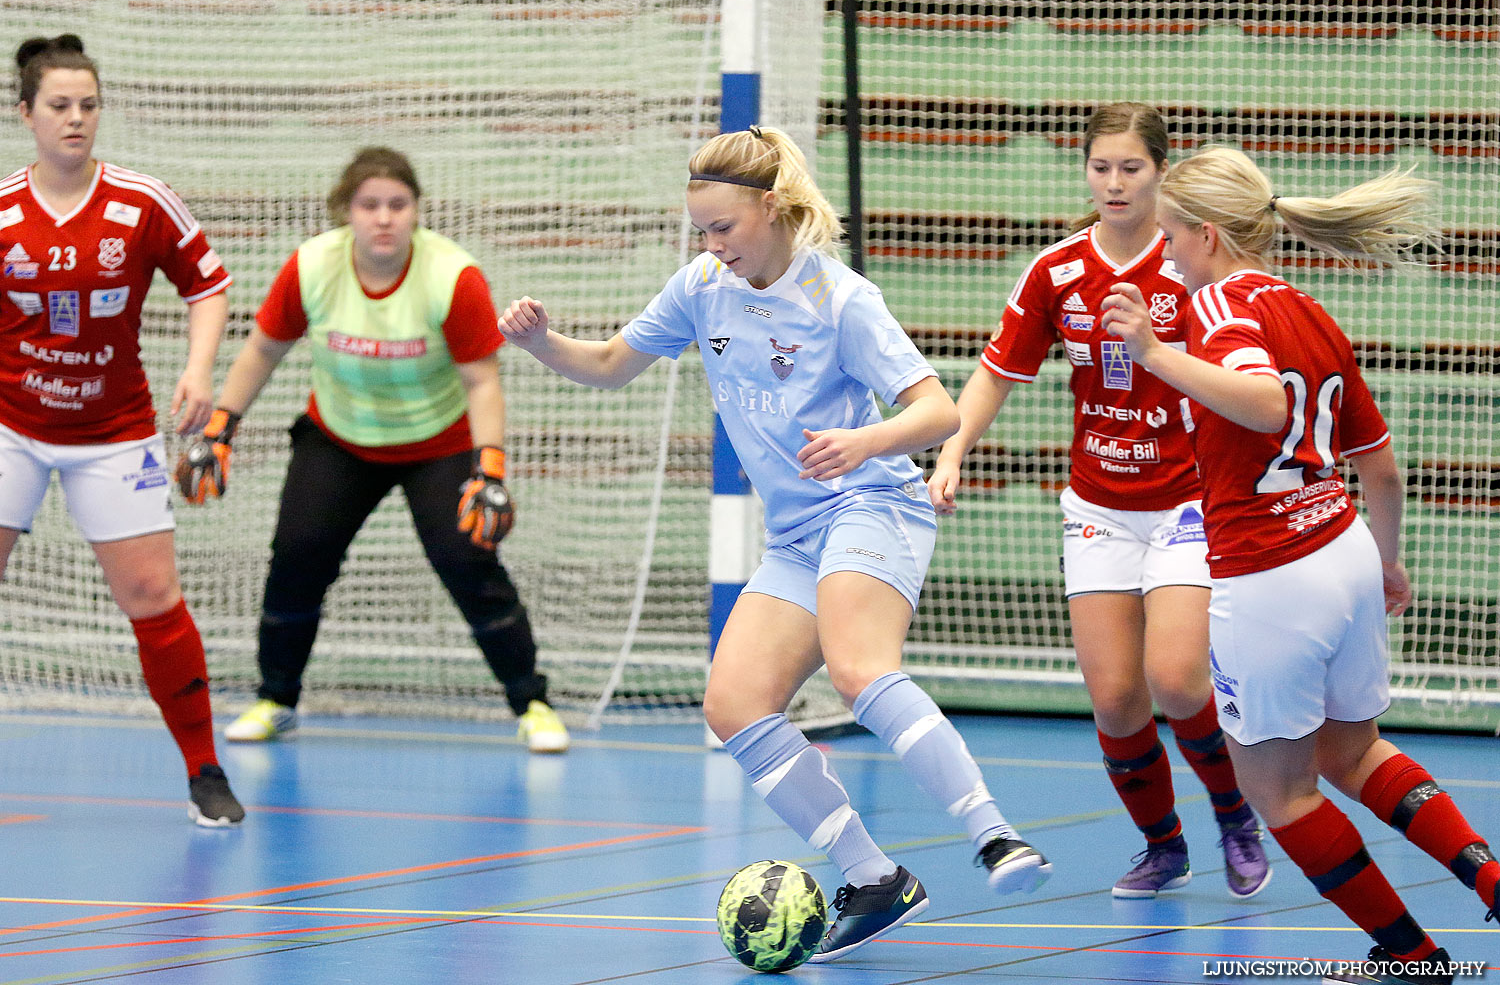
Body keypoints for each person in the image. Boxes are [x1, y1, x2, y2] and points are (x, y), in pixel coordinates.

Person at [498, 125, 1051, 963]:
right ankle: (875, 878)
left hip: (874, 502)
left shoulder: (841, 299)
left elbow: (937, 411)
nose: (711, 246)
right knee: (733, 704)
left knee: (860, 666)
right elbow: (611, 363)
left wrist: (864, 443)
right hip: (797, 533)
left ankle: (997, 837)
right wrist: (544, 346)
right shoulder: (701, 288)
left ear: (770, 208)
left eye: (723, 228)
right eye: (701, 231)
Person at [1101, 146, 1498, 984]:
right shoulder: (1309, 310)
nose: (1165, 255)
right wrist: (1387, 563)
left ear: (1207, 235)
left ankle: (1411, 959)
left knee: (1281, 795)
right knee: (1355, 755)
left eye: (1172, 237)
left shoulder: (1216, 310)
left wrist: (1154, 354)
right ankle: (1492, 882)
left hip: (1270, 573)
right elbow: (1381, 464)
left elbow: (1266, 399)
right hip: (1342, 546)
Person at [929, 103, 1268, 900]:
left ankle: (1234, 818)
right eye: (1101, 167)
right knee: (1117, 699)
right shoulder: (1057, 271)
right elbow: (997, 372)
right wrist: (952, 449)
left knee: (1180, 681)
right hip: (1098, 504)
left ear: (1161, 173)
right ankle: (1164, 845)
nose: (1114, 183)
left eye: (1132, 168)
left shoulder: (1191, 267)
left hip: (1187, 499)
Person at [177, 146, 568, 753]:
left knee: (468, 562)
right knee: (297, 556)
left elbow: (482, 380)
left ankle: (532, 702)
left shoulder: (453, 276)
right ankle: (275, 698)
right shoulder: (312, 265)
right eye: (369, 205)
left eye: (397, 204)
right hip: (339, 437)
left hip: (438, 443)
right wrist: (219, 427)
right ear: (346, 212)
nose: (383, 217)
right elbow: (262, 351)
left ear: (416, 211)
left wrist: (490, 469)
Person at [0, 35, 243, 826]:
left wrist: (200, 372)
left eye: (88, 105)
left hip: (113, 430)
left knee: (151, 595)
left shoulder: (141, 202)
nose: (76, 119)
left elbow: (208, 285)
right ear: (26, 113)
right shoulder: (4, 209)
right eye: (60, 106)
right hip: (11, 426)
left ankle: (205, 771)